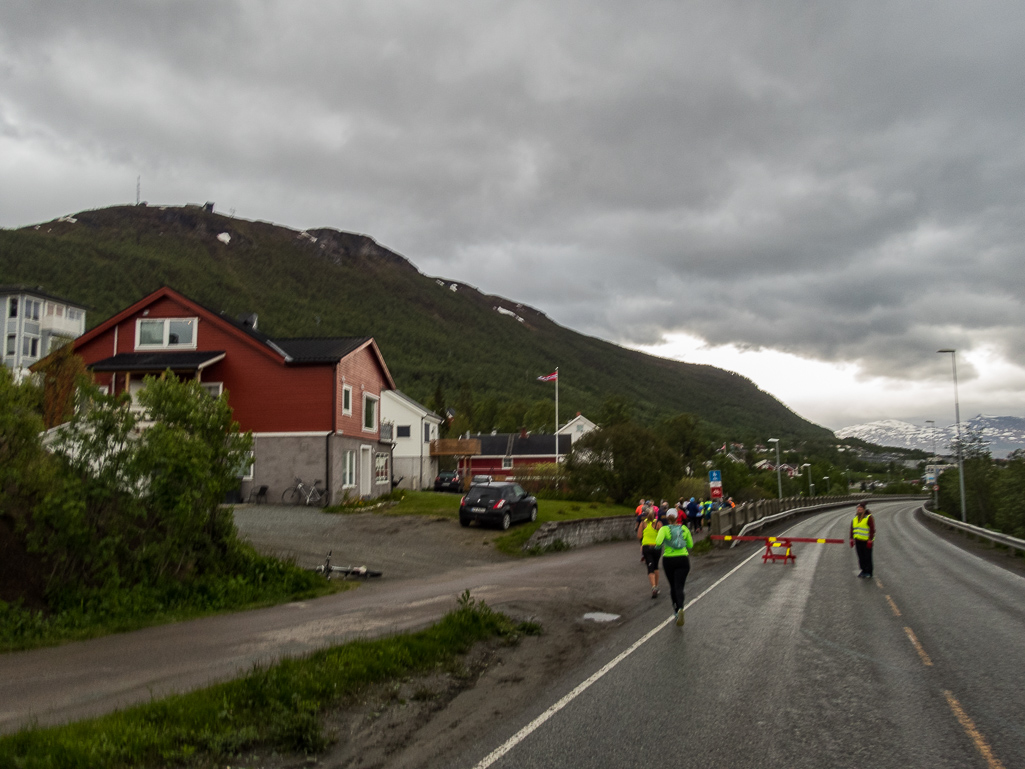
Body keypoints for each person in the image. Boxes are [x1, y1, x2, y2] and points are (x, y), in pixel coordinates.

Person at [656, 509, 694, 626]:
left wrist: (662, 545)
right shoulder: (684, 528)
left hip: (669, 560)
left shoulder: (664, 529)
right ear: (678, 518)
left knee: (673, 586)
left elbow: (658, 543)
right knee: (679, 586)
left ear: (667, 518)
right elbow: (690, 545)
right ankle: (681, 607)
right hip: (683, 559)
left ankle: (676, 610)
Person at [637, 509, 662, 598]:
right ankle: (657, 585)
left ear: (646, 515)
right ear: (655, 515)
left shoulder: (643, 523)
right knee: (656, 566)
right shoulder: (658, 523)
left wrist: (646, 535)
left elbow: (639, 536)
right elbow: (661, 534)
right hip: (656, 547)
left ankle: (653, 587)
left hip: (647, 547)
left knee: (650, 567)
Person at [850, 502, 875, 578]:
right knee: (861, 557)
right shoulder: (855, 519)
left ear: (864, 509)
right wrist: (851, 538)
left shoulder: (868, 517)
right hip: (858, 541)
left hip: (866, 541)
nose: (859, 509)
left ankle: (869, 572)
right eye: (858, 508)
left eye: (861, 508)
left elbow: (872, 529)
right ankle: (863, 570)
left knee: (867, 557)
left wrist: (870, 540)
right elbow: (852, 529)